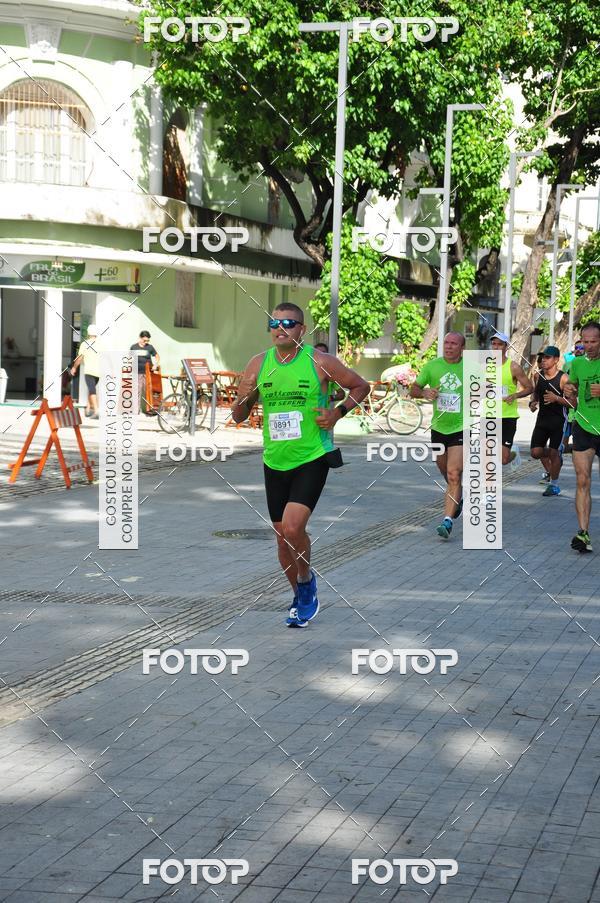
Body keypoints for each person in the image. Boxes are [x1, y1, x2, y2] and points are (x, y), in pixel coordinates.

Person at [232, 304, 369, 627]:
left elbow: (361, 386)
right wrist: (247, 394)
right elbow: (238, 415)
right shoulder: (258, 363)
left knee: (294, 528)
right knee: (282, 540)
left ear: (301, 330)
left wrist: (337, 413)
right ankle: (300, 596)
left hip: (312, 456)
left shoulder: (319, 362)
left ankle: (306, 578)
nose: (280, 328)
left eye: (288, 323)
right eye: (274, 322)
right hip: (274, 460)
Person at [410, 331, 465, 540]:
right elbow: (413, 389)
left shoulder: (471, 368)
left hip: (461, 427)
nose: (449, 346)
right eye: (446, 343)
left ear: (462, 348)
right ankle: (457, 495)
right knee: (446, 472)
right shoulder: (432, 366)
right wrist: (424, 393)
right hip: (439, 428)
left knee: (453, 473)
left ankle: (447, 521)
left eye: (454, 343)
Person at [564, 322, 600, 553]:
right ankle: (583, 532)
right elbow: (572, 389)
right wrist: (570, 391)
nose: (589, 346)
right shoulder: (576, 363)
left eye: (594, 341)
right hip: (584, 426)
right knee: (582, 480)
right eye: (585, 342)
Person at [528, 346, 570, 496]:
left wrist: (557, 398)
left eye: (547, 357)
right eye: (543, 357)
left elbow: (573, 404)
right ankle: (557, 453)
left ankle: (554, 485)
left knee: (553, 452)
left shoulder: (564, 378)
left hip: (559, 421)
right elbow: (535, 394)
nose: (543, 360)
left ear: (556, 360)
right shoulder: (537, 376)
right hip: (542, 420)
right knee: (535, 452)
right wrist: (533, 403)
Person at [490, 332, 533, 465]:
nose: (496, 347)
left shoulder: (513, 367)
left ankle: (513, 453)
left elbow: (529, 387)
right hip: (488, 415)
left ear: (506, 347)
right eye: (494, 344)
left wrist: (515, 395)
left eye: (500, 344)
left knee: (503, 460)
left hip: (507, 416)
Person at [70, 324, 101, 418]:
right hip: (98, 372)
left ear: (88, 333)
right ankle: (87, 409)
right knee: (91, 389)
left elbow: (79, 358)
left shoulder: (85, 344)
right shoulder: (102, 344)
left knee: (92, 390)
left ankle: (96, 411)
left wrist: (74, 367)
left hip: (89, 371)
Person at [130, 330, 160, 414]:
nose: (145, 342)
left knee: (149, 391)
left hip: (148, 372)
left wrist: (155, 364)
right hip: (137, 372)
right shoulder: (134, 347)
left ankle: (151, 409)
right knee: (137, 391)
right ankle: (136, 411)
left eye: (147, 341)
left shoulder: (150, 347)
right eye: (144, 340)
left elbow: (157, 356)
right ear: (140, 338)